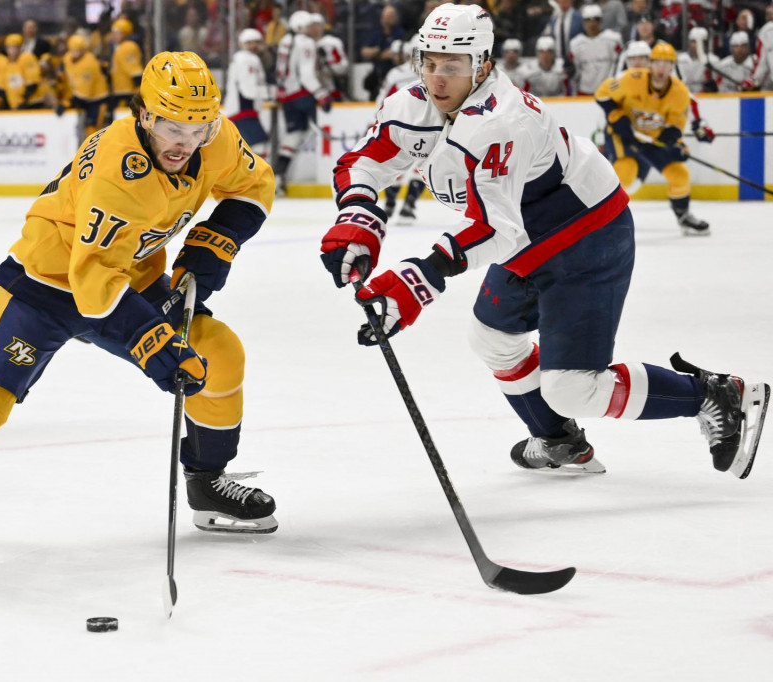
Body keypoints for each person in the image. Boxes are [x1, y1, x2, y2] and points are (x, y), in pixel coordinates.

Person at [0, 52, 280, 535]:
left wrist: (213, 246)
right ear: (145, 114)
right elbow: (92, 283)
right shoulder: (119, 173)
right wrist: (152, 342)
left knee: (219, 351)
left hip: (127, 277)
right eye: (172, 127)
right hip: (43, 285)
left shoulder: (216, 136)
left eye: (199, 130)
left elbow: (254, 184)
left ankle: (207, 481)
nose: (186, 143)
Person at [319, 4, 768, 479]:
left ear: (483, 66)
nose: (436, 78)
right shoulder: (411, 105)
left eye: (451, 66)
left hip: (585, 232)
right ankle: (559, 440)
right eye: (429, 62)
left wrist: (419, 278)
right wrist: (359, 216)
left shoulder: (499, 121)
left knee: (574, 388)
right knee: (491, 338)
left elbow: (497, 229)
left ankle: (716, 395)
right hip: (528, 232)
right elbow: (363, 162)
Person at [595, 42, 709, 235]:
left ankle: (683, 216)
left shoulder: (680, 93)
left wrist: (672, 141)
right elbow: (602, 94)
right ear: (650, 64)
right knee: (625, 172)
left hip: (651, 139)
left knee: (679, 174)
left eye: (667, 64)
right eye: (657, 63)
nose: (661, 68)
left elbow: (675, 125)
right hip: (624, 134)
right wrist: (616, 117)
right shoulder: (631, 78)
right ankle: (602, 221)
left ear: (673, 67)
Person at [274, 10, 330, 196]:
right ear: (300, 27)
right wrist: (321, 93)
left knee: (293, 135)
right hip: (302, 95)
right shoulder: (304, 42)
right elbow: (306, 75)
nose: (312, 29)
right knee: (328, 127)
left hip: (287, 96)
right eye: (308, 26)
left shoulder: (285, 40)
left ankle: (278, 177)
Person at [375, 37, 424, 224]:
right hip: (407, 127)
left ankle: (405, 205)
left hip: (415, 127)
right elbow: (383, 101)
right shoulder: (398, 75)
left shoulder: (397, 74)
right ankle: (398, 204)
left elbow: (381, 101)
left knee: (416, 167)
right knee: (407, 167)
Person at [225, 28, 269, 158]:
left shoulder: (241, 58)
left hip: (238, 110)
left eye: (255, 42)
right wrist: (267, 95)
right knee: (259, 143)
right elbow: (248, 89)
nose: (253, 46)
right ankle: (256, 176)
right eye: (249, 42)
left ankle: (245, 176)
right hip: (244, 110)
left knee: (245, 146)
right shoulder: (248, 59)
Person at [58, 32, 109, 135]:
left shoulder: (89, 63)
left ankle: (97, 150)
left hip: (97, 100)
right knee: (81, 128)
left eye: (79, 50)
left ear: (84, 50)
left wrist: (66, 103)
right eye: (73, 50)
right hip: (83, 98)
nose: (75, 53)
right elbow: (64, 66)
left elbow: (83, 95)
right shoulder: (68, 57)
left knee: (93, 129)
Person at [567, 4, 622, 96]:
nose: (592, 24)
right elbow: (574, 71)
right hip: (584, 91)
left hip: (608, 91)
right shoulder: (575, 44)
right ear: (583, 22)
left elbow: (618, 66)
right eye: (588, 20)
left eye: (595, 19)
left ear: (600, 21)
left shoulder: (613, 40)